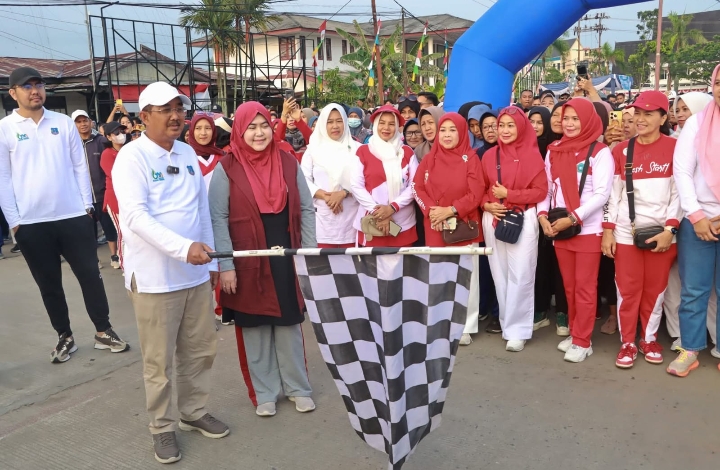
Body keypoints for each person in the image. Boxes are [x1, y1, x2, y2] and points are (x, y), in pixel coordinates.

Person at [112, 83, 228, 463]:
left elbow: (201, 210)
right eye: (166, 109)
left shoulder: (187, 152)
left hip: (194, 275)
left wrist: (211, 261)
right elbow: (135, 217)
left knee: (199, 352)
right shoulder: (132, 158)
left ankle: (193, 412)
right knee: (158, 362)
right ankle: (161, 427)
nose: (176, 116)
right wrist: (183, 249)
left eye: (179, 108)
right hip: (155, 280)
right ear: (144, 116)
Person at [0, 66, 129, 363]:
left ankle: (103, 330)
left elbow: (79, 166)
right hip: (32, 222)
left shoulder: (63, 123)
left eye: (39, 84)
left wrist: (86, 207)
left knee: (91, 276)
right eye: (27, 86)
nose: (35, 91)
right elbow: (3, 178)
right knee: (49, 284)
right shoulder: (5, 128)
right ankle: (64, 336)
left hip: (73, 216)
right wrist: (15, 222)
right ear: (13, 93)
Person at [209, 101, 317, 416]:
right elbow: (218, 218)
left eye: (264, 126)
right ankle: (265, 392)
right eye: (251, 127)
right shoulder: (226, 168)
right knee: (254, 327)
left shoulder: (287, 162)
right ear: (240, 131)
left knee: (288, 323)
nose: (259, 133)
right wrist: (226, 265)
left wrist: (308, 253)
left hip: (284, 254)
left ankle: (297, 387)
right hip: (246, 259)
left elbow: (306, 208)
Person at [602, 91, 680, 369]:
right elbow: (612, 195)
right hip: (626, 232)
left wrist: (670, 230)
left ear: (663, 118)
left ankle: (648, 339)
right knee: (627, 289)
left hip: (663, 232)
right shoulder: (620, 150)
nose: (641, 119)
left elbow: (679, 194)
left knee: (655, 290)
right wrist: (608, 231)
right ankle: (628, 342)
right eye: (638, 113)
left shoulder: (676, 148)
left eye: (649, 114)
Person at [538, 98, 614, 363]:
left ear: (588, 120)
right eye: (565, 118)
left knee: (584, 287)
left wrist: (573, 218)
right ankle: (575, 332)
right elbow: (547, 188)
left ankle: (583, 341)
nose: (569, 124)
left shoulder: (600, 152)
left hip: (587, 230)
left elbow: (602, 194)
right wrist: (542, 215)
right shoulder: (554, 150)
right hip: (560, 230)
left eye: (575, 119)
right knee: (569, 287)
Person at [412, 112, 484, 345]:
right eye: (443, 129)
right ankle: (440, 322)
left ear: (462, 132)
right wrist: (432, 210)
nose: (447, 135)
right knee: (438, 276)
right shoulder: (429, 159)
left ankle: (465, 326)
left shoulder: (471, 158)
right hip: (435, 225)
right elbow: (417, 187)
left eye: (453, 130)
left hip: (462, 225)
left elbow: (476, 193)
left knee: (466, 277)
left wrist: (451, 210)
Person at [481, 107, 548, 351]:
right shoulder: (489, 156)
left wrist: (509, 194)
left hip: (522, 218)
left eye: (511, 125)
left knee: (521, 273)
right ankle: (506, 323)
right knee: (499, 274)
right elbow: (481, 188)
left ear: (520, 127)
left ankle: (518, 330)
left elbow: (540, 192)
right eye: (502, 125)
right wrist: (486, 204)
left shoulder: (533, 155)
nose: (505, 130)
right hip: (493, 218)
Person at [668, 63, 720, 377]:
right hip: (697, 219)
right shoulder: (696, 124)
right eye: (719, 82)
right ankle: (689, 349)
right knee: (694, 290)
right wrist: (697, 216)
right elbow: (683, 172)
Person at [351, 105, 418, 247]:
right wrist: (379, 213)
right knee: (371, 262)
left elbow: (414, 186)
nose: (386, 128)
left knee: (403, 261)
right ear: (375, 124)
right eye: (382, 123)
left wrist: (392, 208)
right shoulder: (363, 151)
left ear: (397, 126)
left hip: (403, 224)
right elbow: (356, 185)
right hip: (372, 222)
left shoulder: (407, 152)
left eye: (392, 124)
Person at [528, 106, 568, 335]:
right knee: (541, 263)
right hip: (539, 211)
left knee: (561, 266)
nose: (558, 120)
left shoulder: (565, 147)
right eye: (554, 115)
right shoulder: (528, 146)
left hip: (564, 214)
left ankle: (563, 311)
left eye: (539, 121)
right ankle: (541, 309)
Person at [187, 112, 229, 324]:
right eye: (198, 128)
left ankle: (222, 308)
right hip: (194, 221)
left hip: (220, 219)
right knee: (198, 263)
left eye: (207, 128)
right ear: (191, 131)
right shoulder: (185, 158)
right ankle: (200, 312)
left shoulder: (223, 158)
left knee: (219, 261)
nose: (203, 133)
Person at [301, 104, 360, 249]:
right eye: (329, 122)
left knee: (351, 262)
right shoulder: (312, 150)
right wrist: (325, 195)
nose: (335, 126)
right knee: (323, 262)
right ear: (322, 124)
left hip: (351, 220)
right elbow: (303, 180)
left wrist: (343, 193)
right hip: (322, 222)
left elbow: (364, 179)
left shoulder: (358, 149)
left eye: (339, 121)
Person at [73, 109, 120, 269]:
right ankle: (95, 259)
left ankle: (114, 256)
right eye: (79, 122)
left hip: (102, 194)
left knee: (109, 228)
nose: (83, 124)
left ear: (90, 122)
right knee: (88, 231)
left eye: (85, 120)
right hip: (83, 198)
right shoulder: (72, 144)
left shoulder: (101, 141)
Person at [98, 121, 126, 270]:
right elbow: (116, 176)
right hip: (115, 199)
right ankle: (123, 263)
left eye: (122, 131)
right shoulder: (107, 154)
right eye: (116, 133)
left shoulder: (128, 151)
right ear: (108, 137)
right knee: (123, 232)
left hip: (129, 197)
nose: (121, 135)